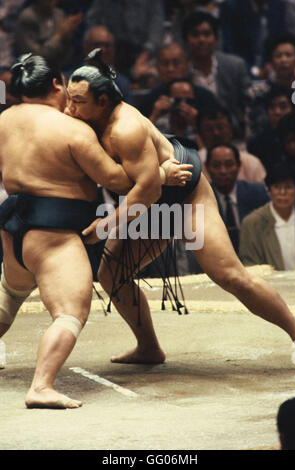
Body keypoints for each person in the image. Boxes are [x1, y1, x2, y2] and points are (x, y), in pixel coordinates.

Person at [67, 49, 295, 365]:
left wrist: (107, 225)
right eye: (69, 98)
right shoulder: (82, 116)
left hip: (185, 195)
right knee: (112, 275)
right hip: (151, 195)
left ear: (103, 102)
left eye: (77, 101)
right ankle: (149, 347)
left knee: (230, 275)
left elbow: (147, 189)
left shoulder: (126, 128)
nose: (69, 108)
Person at [0, 52, 192, 408]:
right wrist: (161, 174)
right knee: (71, 312)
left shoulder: (4, 120)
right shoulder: (72, 129)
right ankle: (41, 386)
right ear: (57, 84)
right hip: (53, 232)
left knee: (10, 296)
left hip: (12, 227)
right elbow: (120, 182)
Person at [182, 11, 251, 137]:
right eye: (195, 34)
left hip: (233, 136)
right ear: (186, 40)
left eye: (207, 34)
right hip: (194, 138)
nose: (201, 40)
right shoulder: (181, 71)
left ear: (216, 38)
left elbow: (247, 107)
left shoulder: (235, 66)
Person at [206, 143, 269, 253]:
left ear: (239, 165)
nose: (223, 171)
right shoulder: (200, 198)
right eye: (216, 165)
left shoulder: (257, 193)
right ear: (207, 167)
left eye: (229, 164)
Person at [239, 165, 295, 271]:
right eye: (277, 187)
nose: (282, 193)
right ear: (269, 190)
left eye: (288, 187)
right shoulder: (252, 223)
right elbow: (250, 265)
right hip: (270, 285)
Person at [138, 42, 216, 120]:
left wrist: (199, 121)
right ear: (157, 67)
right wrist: (154, 116)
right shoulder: (148, 101)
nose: (170, 69)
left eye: (176, 63)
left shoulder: (206, 98)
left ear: (187, 65)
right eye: (165, 64)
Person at [246, 32, 295, 137]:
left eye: (288, 55)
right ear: (270, 61)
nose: (283, 60)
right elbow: (253, 128)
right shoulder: (256, 92)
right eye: (278, 56)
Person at [196, 104, 267, 183]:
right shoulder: (191, 165)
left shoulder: (251, 162)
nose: (216, 133)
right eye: (209, 129)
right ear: (199, 134)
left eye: (221, 127)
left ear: (231, 129)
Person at [14, 0, 83, 71]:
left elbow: (66, 55)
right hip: (34, 71)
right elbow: (34, 58)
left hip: (60, 67)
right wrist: (58, 36)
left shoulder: (59, 14)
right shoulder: (27, 17)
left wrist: (69, 33)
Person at [247, 85, 295, 173]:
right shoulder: (256, 143)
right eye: (272, 107)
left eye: (283, 107)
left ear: (292, 109)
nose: (277, 112)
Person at [83, 25, 134, 105]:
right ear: (86, 48)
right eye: (97, 45)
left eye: (107, 45)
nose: (103, 50)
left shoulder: (122, 84)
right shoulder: (70, 79)